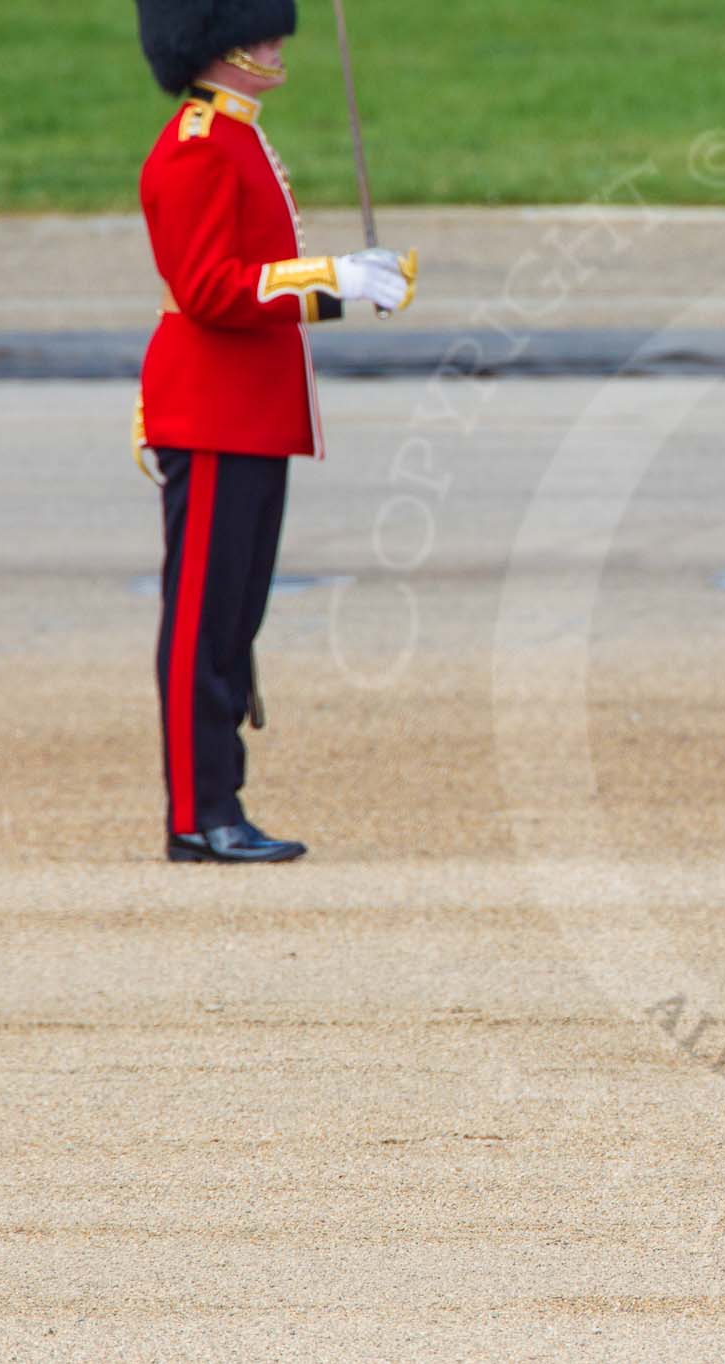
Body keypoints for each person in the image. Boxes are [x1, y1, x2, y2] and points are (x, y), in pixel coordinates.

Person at [134, 0, 416, 863]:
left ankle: (219, 799)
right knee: (203, 624)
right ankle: (199, 812)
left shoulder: (236, 135)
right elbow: (214, 288)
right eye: (255, 29)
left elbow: (254, 279)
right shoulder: (197, 145)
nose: (273, 39)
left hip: (250, 411)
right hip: (214, 412)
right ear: (210, 43)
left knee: (234, 618)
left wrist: (345, 289)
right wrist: (331, 273)